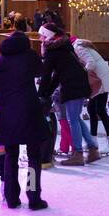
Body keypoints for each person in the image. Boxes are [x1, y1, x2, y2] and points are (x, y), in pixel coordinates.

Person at [0, 30, 49, 208]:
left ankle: (12, 198)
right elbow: (41, 71)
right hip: (30, 111)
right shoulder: (30, 56)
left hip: (7, 114)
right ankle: (34, 197)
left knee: (10, 156)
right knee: (34, 157)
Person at [39, 24, 96, 165]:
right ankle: (93, 149)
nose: (40, 39)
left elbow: (46, 76)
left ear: (49, 36)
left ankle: (78, 153)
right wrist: (47, 92)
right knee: (75, 118)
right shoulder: (63, 46)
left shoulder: (53, 51)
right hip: (77, 83)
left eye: (42, 36)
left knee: (72, 120)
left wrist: (41, 95)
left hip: (73, 86)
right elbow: (57, 74)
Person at [73, 38, 109, 154]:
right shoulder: (80, 45)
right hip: (98, 80)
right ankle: (93, 141)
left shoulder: (77, 48)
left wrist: (80, 73)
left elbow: (91, 63)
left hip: (100, 81)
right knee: (92, 109)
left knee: (100, 110)